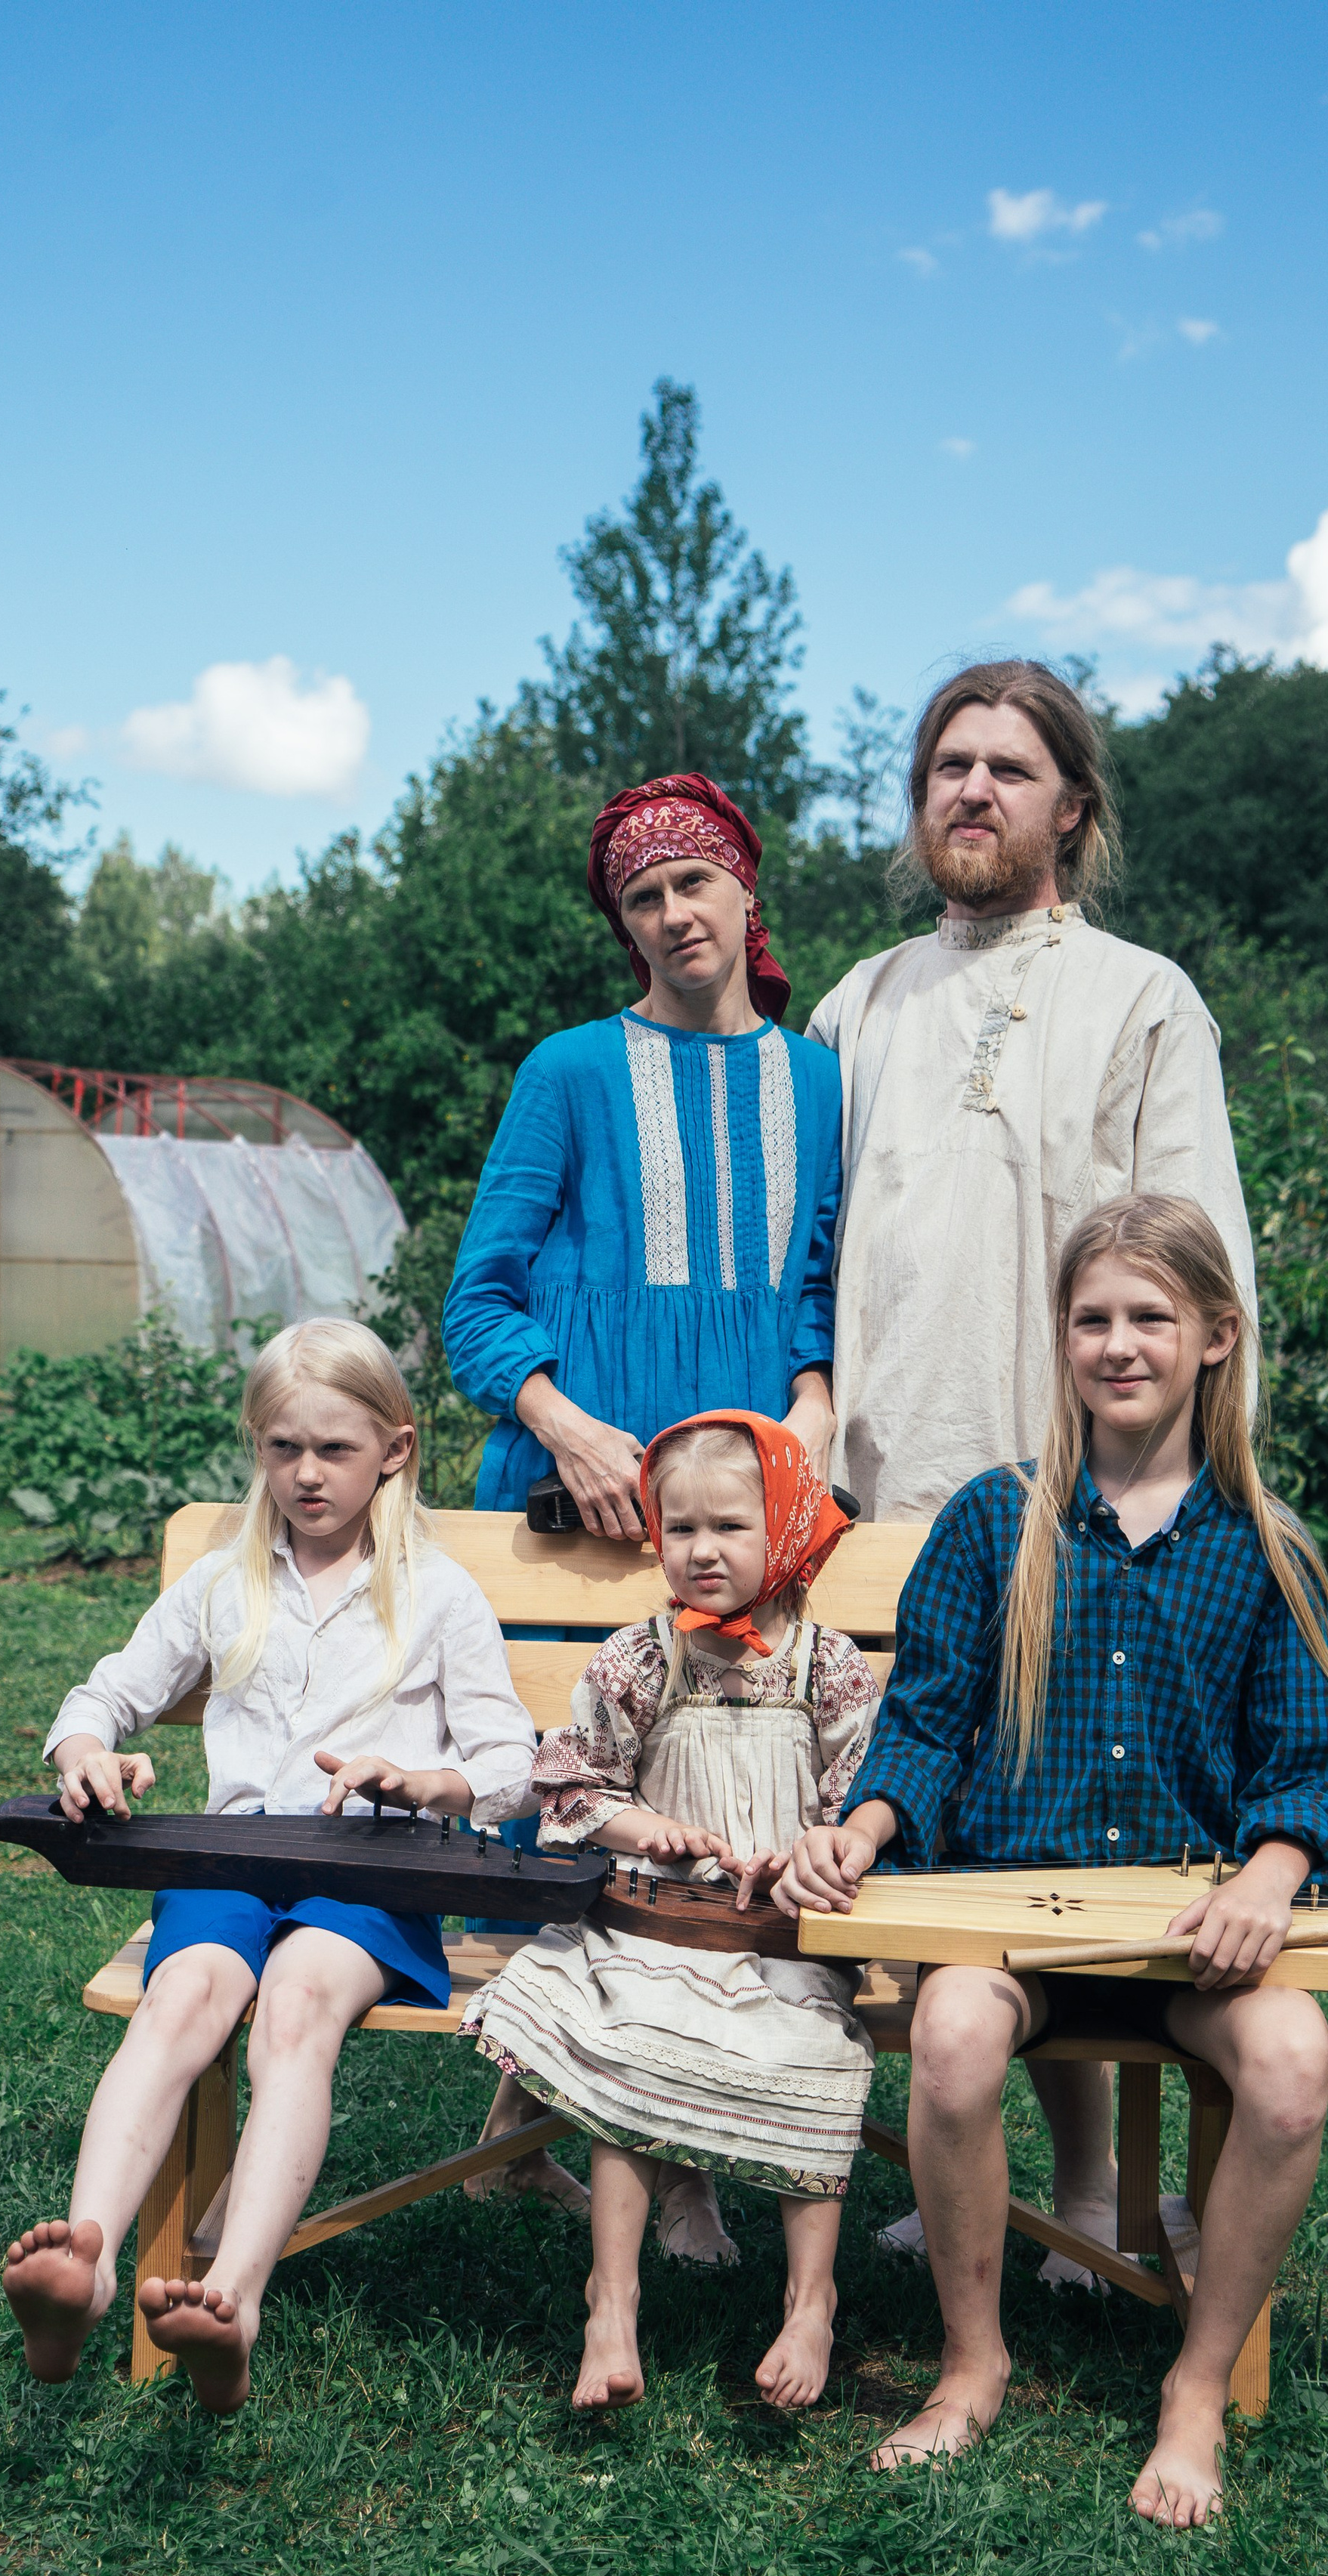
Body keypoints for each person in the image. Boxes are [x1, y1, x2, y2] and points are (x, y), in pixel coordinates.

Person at [774, 1196, 1328, 2525]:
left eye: (1151, 1317)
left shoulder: (1266, 1548)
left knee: (1294, 2063)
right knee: (957, 2036)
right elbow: (923, 1724)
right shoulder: (997, 1524)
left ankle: (1196, 2385)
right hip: (1018, 1922)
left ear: (1217, 1336)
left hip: (1185, 1937)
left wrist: (1269, 1877)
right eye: (1091, 1318)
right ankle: (973, 2361)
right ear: (1062, 1339)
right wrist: (863, 1829)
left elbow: (1312, 1769)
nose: (1119, 1344)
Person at [807, 658, 1260, 2280]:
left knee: (1065, 1830)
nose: (970, 792)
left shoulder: (1139, 997)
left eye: (1007, 768)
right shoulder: (855, 1003)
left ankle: (1084, 2204)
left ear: (1072, 805)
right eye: (945, 765)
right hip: (880, 1495)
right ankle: (937, 2175)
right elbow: (817, 1249)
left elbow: (1200, 1266)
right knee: (927, 1832)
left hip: (1078, 1491)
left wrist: (1183, 1479)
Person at [443, 771, 844, 2253]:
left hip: (740, 1527)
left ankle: (641, 2135)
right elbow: (476, 1303)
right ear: (625, 927)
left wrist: (804, 1409)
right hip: (575, 1514)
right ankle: (644, 2150)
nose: (673, 914)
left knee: (730, 1799)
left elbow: (816, 1283)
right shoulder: (568, 1072)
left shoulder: (819, 1080)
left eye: (692, 883)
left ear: (746, 893)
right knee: (607, 1797)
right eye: (641, 897)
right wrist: (563, 1420)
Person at [0, 1319, 536, 2413]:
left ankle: (231, 2300)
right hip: (232, 1854)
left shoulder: (434, 1593)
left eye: (332, 1450)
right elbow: (104, 1693)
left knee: (297, 2007)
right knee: (184, 1996)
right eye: (282, 1448)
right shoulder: (225, 1582)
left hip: (374, 1871)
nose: (304, 1474)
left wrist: (425, 1784)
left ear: (394, 1447)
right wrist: (89, 1753)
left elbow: (509, 1764)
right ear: (258, 1447)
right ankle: (88, 2266)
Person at [462, 1412, 881, 2412]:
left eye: (730, 1528)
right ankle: (612, 2306)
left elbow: (859, 1798)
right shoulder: (639, 1659)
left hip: (784, 1934)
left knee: (818, 2061)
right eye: (679, 1527)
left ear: (782, 1530)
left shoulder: (829, 1669)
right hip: (647, 1927)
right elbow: (572, 1783)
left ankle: (809, 2304)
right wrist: (642, 1828)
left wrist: (812, 1853)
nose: (701, 1551)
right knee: (635, 2039)